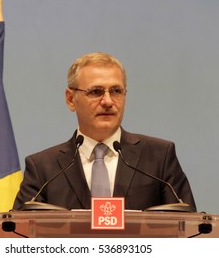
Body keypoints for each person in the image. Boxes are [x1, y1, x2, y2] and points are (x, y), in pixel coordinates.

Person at [13, 52, 196, 211]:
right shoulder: (43, 168)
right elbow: (18, 233)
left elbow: (189, 231)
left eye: (116, 91)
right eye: (96, 92)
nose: (108, 101)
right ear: (70, 99)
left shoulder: (159, 158)